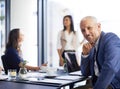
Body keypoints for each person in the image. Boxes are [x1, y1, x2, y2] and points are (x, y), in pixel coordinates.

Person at [79, 16, 120, 89]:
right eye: (83, 30)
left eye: (89, 28)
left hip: (112, 85)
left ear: (98, 26)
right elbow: (85, 73)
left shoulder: (110, 38)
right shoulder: (92, 47)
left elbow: (111, 67)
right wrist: (85, 55)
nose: (86, 33)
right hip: (96, 84)